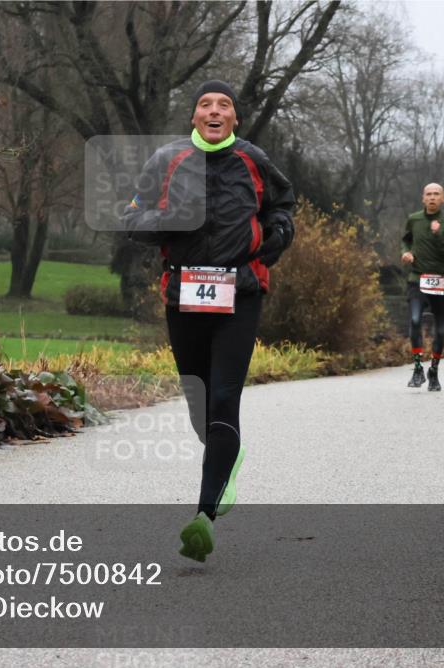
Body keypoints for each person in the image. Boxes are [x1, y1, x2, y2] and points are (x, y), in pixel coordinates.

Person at [123, 80, 295, 562]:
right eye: (205, 104)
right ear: (194, 116)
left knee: (224, 398)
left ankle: (204, 517)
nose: (214, 111)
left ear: (234, 118)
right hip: (184, 296)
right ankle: (228, 454)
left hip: (240, 293)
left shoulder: (253, 160)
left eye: (224, 105)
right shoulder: (167, 160)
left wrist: (274, 235)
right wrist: (168, 220)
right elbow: (132, 217)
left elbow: (284, 204)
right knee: (201, 405)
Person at [401, 183, 444, 392]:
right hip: (417, 278)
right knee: (415, 321)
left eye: (436, 194)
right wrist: (406, 252)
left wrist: (438, 236)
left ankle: (433, 371)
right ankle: (418, 369)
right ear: (423, 198)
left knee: (441, 331)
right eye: (429, 194)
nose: (432, 197)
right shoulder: (414, 219)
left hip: (442, 280)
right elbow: (406, 240)